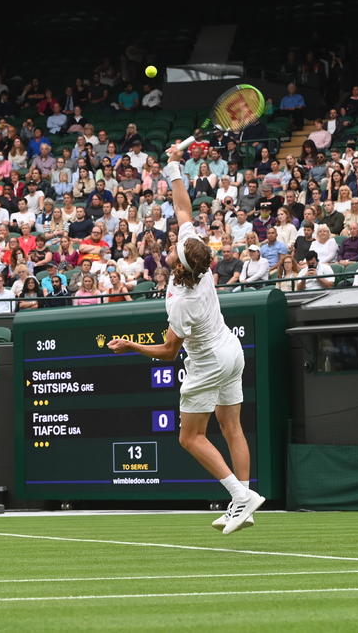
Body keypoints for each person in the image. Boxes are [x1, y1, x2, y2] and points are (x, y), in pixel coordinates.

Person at [108, 144, 263, 535]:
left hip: (208, 363)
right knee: (232, 428)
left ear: (179, 260)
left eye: (173, 249)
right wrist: (174, 165)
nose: (170, 246)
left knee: (190, 437)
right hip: (232, 351)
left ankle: (240, 495)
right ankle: (243, 503)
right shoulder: (198, 259)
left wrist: (130, 345)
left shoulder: (182, 302)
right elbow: (182, 209)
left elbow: (167, 352)